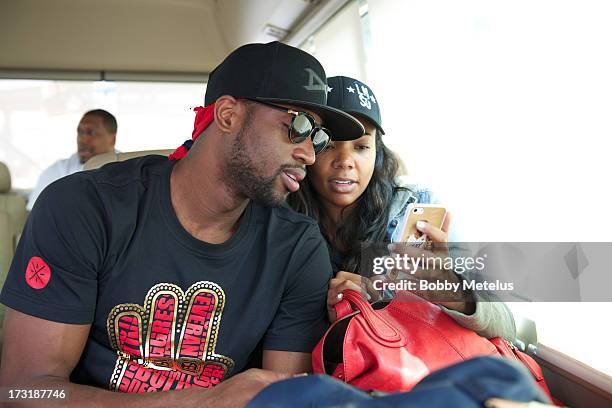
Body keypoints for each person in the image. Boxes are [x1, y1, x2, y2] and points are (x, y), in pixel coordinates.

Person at [0, 42, 365, 406]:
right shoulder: (83, 209)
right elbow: (22, 390)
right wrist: (201, 402)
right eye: (298, 126)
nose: (310, 153)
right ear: (227, 114)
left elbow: (282, 399)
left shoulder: (296, 249)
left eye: (319, 137)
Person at [289, 76, 515, 340]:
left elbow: (506, 326)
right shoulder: (282, 217)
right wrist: (336, 314)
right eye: (329, 145)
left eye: (361, 147)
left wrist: (449, 289)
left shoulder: (419, 208)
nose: (345, 161)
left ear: (377, 153)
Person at [27, 109, 118, 211]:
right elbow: (35, 216)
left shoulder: (127, 170)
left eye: (91, 133)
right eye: (80, 132)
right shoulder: (57, 172)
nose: (82, 140)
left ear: (112, 139)